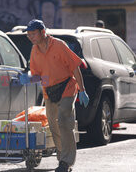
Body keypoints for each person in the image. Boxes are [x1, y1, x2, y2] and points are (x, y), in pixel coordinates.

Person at [20, 19, 89, 172]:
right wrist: (28, 78)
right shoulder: (34, 50)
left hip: (67, 87)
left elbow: (75, 67)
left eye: (33, 33)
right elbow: (38, 76)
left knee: (64, 121)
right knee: (54, 125)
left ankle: (66, 161)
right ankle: (62, 158)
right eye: (28, 34)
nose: (30, 37)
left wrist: (82, 90)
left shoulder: (58, 46)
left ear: (43, 32)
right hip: (49, 91)